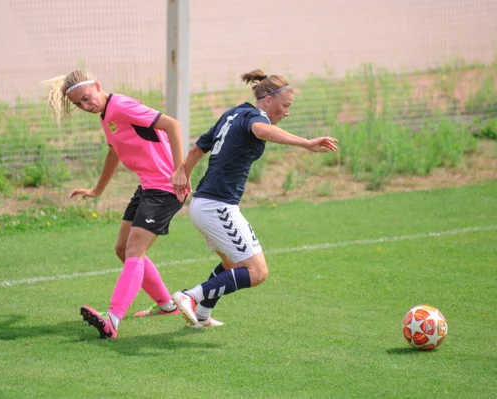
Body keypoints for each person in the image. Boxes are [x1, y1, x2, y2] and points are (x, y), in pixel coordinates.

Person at [172, 69, 338, 328]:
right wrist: (305, 142)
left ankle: (202, 314)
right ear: (268, 100)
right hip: (217, 206)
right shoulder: (255, 116)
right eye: (286, 105)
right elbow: (261, 130)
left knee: (232, 264)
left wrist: (184, 173)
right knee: (257, 272)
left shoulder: (232, 114)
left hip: (204, 204)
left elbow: (196, 149)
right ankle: (190, 296)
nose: (287, 112)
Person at [43, 69, 189, 339]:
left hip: (166, 187)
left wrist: (181, 170)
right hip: (148, 185)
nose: (86, 106)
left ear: (98, 86)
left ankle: (112, 319)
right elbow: (114, 151)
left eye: (87, 98)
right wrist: (97, 189)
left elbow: (173, 125)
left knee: (134, 249)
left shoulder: (121, 106)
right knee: (123, 249)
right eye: (79, 105)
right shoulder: (105, 115)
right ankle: (167, 306)